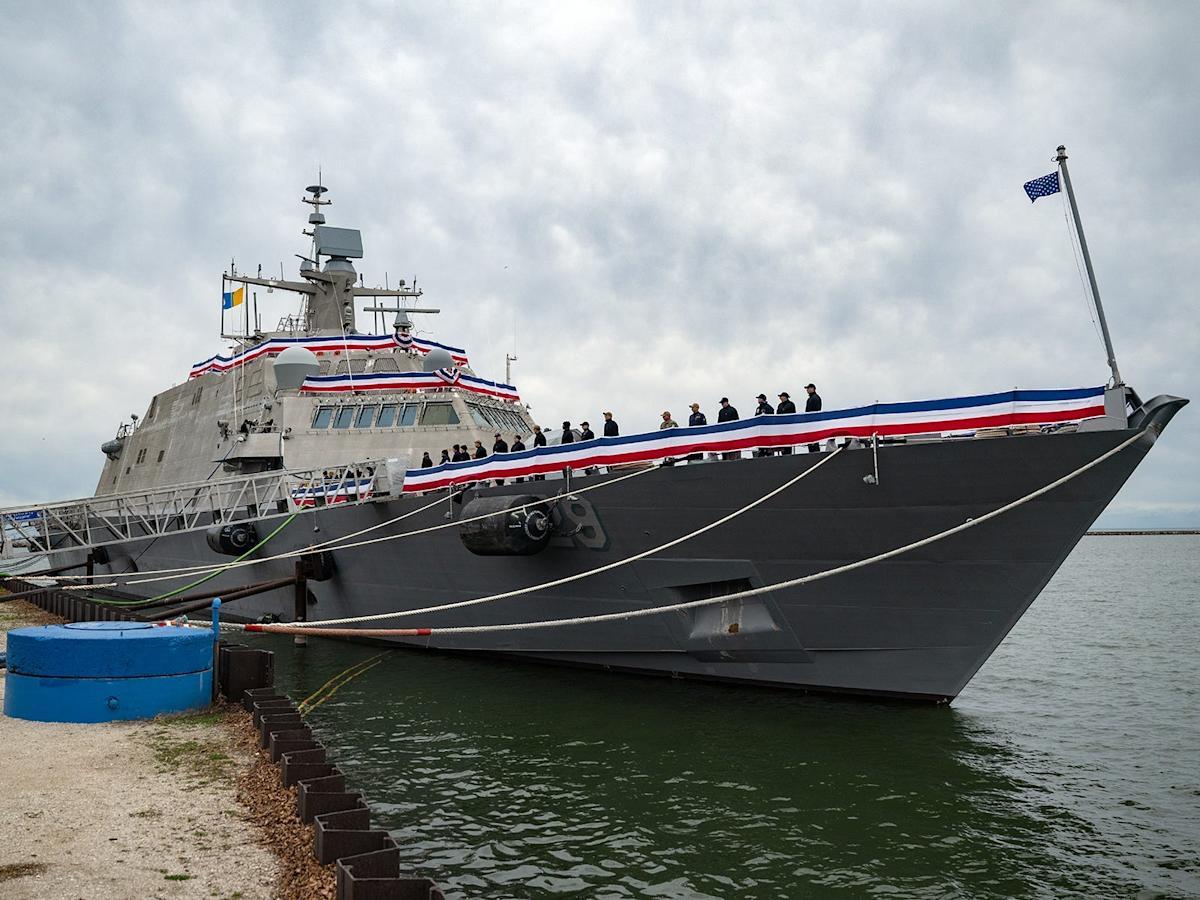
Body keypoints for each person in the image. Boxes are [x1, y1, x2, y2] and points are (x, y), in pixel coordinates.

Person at [805, 383, 822, 452]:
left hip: (813, 422)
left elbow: (815, 410)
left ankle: (814, 452)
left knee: (814, 440)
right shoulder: (811, 398)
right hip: (811, 422)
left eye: (808, 388)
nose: (807, 390)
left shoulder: (815, 398)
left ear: (813, 388)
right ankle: (813, 451)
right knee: (812, 440)